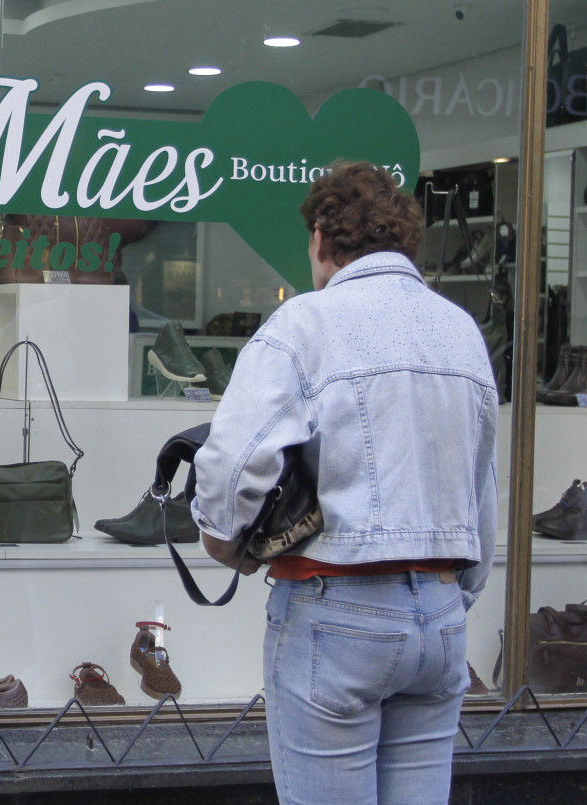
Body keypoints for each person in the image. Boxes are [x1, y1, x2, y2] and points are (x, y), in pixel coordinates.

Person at [191, 161, 498, 805]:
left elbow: (235, 461)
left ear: (321, 239)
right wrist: (455, 594)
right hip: (440, 615)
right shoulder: (460, 330)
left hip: (337, 607)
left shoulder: (305, 324)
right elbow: (481, 480)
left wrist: (223, 541)